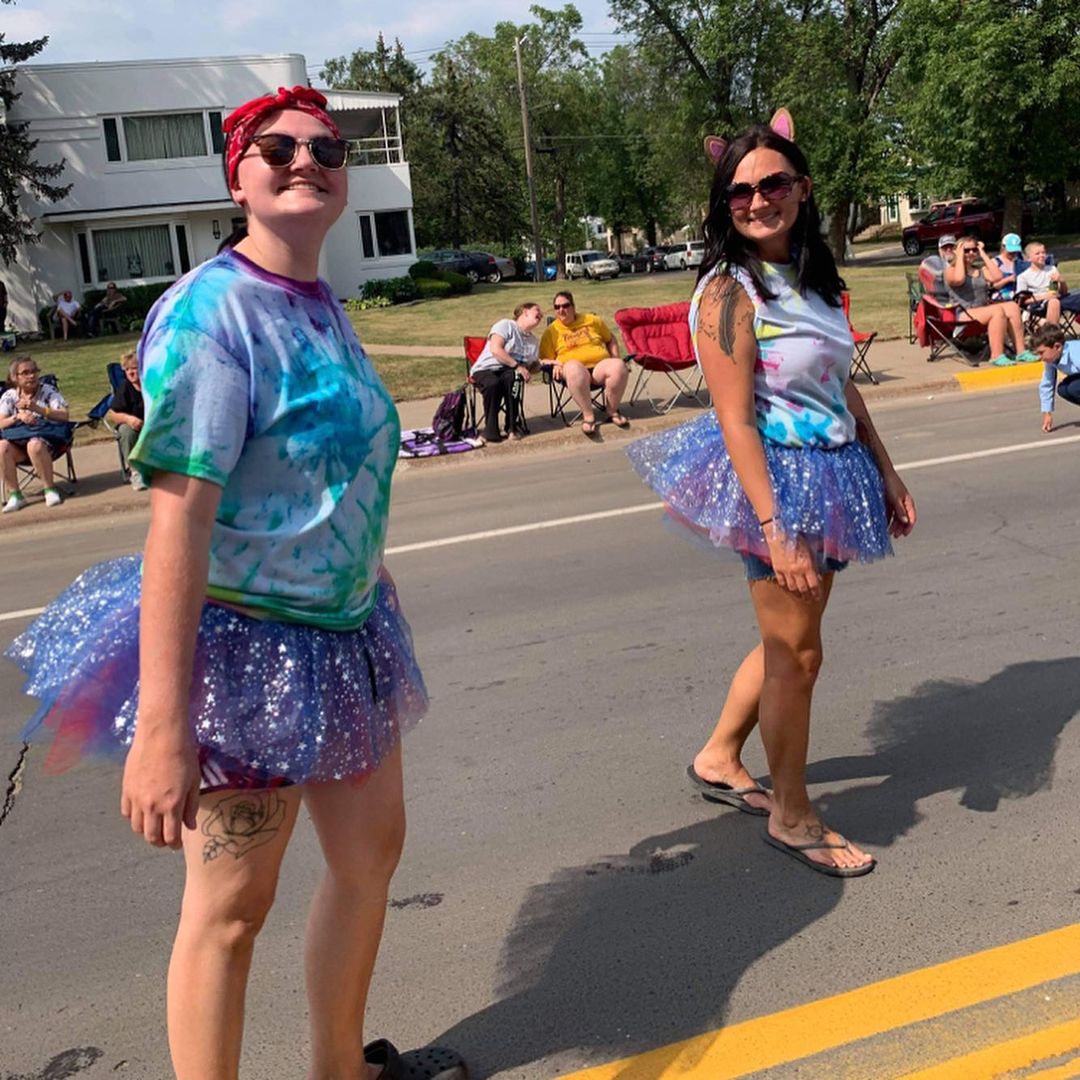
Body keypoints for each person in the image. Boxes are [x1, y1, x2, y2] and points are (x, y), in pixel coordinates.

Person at [5, 86, 465, 1080]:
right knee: (228, 910)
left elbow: (330, 469)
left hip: (347, 640)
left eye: (325, 147)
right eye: (277, 148)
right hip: (245, 653)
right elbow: (179, 519)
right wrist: (164, 728)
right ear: (238, 178)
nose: (305, 159)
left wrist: (365, 572)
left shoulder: (319, 303)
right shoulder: (213, 315)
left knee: (368, 857)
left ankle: (340, 1068)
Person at [627, 109, 917, 878]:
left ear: (802, 188)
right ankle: (792, 816)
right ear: (724, 207)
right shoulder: (729, 293)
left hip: (836, 473)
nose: (758, 201)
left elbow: (841, 388)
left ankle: (722, 757)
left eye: (774, 183)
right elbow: (733, 422)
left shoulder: (814, 280)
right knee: (799, 653)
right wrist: (774, 527)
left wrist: (885, 469)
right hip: (777, 486)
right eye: (740, 192)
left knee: (788, 639)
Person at [539, 290, 629, 436]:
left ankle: (612, 411)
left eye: (565, 305)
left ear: (573, 307)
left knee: (618, 366)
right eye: (557, 307)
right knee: (574, 367)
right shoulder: (551, 331)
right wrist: (555, 364)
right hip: (572, 371)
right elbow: (542, 359)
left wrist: (615, 356)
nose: (561, 310)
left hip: (599, 366)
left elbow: (610, 338)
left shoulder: (592, 320)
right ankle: (588, 416)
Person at [943, 238, 1035, 366]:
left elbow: (998, 277)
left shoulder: (980, 270)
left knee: (1013, 306)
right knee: (997, 310)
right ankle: (996, 356)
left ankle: (1021, 352)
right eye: (966, 250)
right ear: (958, 251)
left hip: (982, 310)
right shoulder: (950, 271)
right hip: (962, 313)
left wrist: (982, 252)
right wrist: (958, 257)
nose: (971, 253)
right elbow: (959, 279)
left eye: (973, 250)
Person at [0, 355, 70, 511]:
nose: (31, 376)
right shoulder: (9, 396)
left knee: (34, 445)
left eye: (34, 371)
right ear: (14, 377)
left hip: (48, 443)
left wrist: (38, 409)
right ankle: (15, 495)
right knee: (1, 447)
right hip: (18, 445)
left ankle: (50, 489)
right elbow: (1, 422)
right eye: (25, 372)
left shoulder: (48, 391)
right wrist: (17, 416)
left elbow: (64, 415)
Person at [470, 301, 542, 443]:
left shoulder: (533, 341)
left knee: (514, 378)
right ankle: (490, 431)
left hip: (509, 372)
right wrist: (517, 366)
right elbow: (496, 349)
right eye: (537, 310)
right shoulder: (506, 325)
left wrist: (539, 365)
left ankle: (512, 428)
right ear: (525, 312)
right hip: (486, 369)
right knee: (493, 383)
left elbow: (529, 367)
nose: (541, 314)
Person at [107, 349, 147, 490]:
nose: (131, 372)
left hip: (153, 425)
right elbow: (113, 414)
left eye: (134, 368)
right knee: (125, 430)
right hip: (134, 427)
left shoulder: (151, 385)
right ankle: (135, 473)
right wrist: (129, 419)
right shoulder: (125, 387)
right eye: (127, 369)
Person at [1016, 241, 1080, 328]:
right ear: (1028, 258)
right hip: (1038, 305)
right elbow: (1022, 301)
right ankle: (1051, 336)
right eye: (1037, 253)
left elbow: (1063, 292)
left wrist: (1061, 281)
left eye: (1043, 252)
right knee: (1054, 302)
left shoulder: (1051, 269)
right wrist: (1046, 296)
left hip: (1058, 300)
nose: (1041, 255)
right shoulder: (1023, 277)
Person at [1032, 323, 1080, 431]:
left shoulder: (1076, 353)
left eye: (1041, 353)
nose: (1040, 357)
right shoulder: (1052, 360)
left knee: (1074, 388)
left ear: (1057, 347)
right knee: (1063, 389)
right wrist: (1047, 413)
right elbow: (1047, 384)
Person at [992, 233, 1023, 301]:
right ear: (1003, 247)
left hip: (1020, 292)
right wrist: (1008, 279)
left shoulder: (1020, 260)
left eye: (1015, 251)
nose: (1013, 253)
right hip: (1002, 294)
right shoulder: (995, 262)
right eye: (1010, 251)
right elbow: (993, 286)